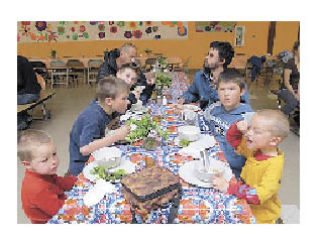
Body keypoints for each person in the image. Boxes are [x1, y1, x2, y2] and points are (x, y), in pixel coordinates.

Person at [212, 109, 289, 224]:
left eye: (256, 131)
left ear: (274, 141)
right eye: (249, 127)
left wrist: (229, 187)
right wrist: (237, 128)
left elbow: (258, 195)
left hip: (261, 218)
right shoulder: (256, 150)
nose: (248, 133)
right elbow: (234, 141)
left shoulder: (274, 166)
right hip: (244, 203)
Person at [68, 76, 131, 176]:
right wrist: (116, 136)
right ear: (109, 101)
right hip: (83, 166)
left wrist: (113, 123)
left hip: (96, 157)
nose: (128, 102)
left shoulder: (104, 108)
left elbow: (102, 128)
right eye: (124, 99)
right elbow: (85, 149)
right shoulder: (93, 116)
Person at [18, 129, 77, 224]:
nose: (53, 161)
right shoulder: (37, 188)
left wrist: (75, 181)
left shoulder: (41, 171)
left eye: (54, 154)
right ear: (27, 164)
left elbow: (57, 181)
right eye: (45, 160)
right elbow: (60, 211)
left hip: (54, 200)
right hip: (47, 220)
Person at [204, 68, 253, 178]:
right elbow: (202, 123)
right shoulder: (214, 108)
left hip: (232, 172)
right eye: (222, 89)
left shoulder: (249, 118)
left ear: (242, 91)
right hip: (210, 161)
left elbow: (257, 152)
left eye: (231, 89)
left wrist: (247, 134)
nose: (226, 94)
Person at [180, 41, 250, 109]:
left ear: (222, 61)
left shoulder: (235, 81)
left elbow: (245, 107)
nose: (206, 58)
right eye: (208, 54)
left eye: (211, 56)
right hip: (203, 117)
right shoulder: (200, 76)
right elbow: (192, 93)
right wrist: (184, 98)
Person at [275, 41, 300, 117]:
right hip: (286, 89)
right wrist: (295, 94)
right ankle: (279, 117)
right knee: (293, 102)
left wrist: (299, 93)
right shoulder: (290, 63)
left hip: (298, 89)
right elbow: (286, 82)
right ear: (296, 51)